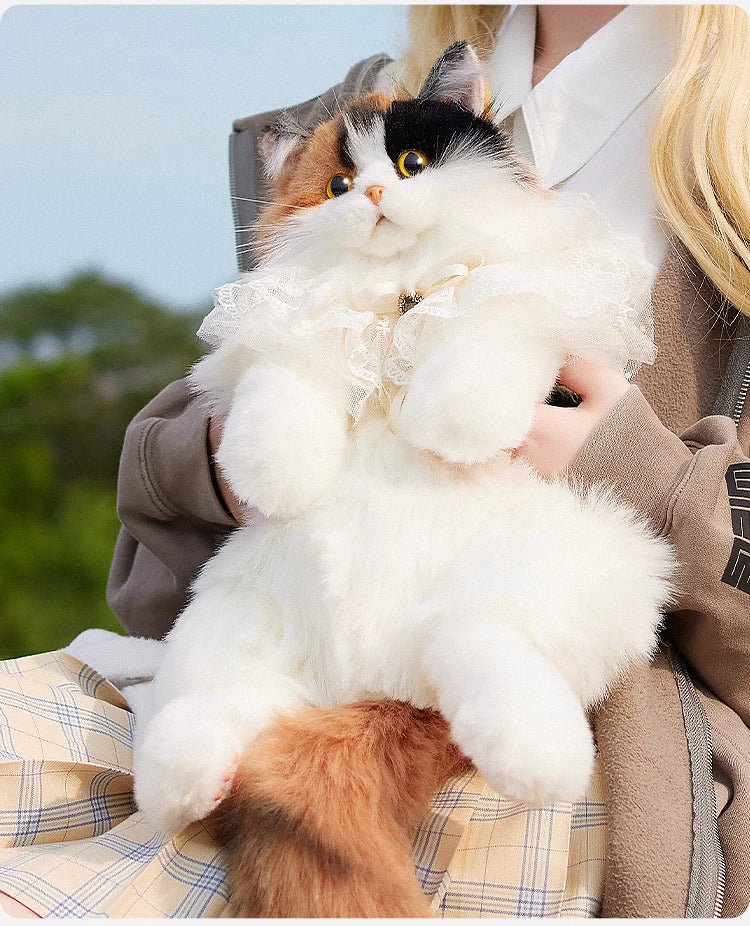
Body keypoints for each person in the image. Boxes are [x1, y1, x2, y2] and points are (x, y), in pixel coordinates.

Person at [1, 4, 749, 918]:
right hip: (300, 653)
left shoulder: (729, 126)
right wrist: (235, 454)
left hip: (597, 740)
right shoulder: (361, 103)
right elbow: (153, 554)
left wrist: (635, 469)